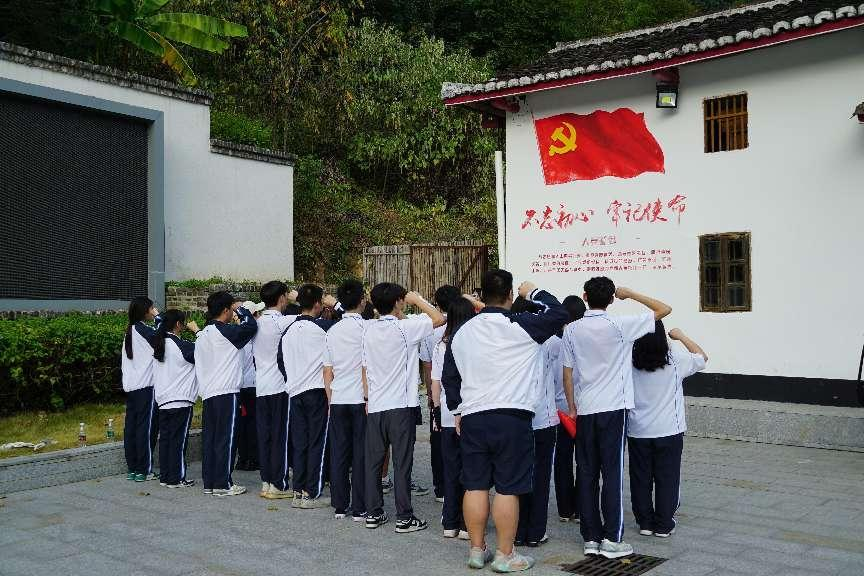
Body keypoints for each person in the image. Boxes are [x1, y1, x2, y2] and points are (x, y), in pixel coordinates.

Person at [442, 270, 569, 572]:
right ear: (510, 294)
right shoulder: (523, 324)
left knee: (475, 485)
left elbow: (450, 377)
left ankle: (476, 550)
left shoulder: (462, 332)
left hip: (473, 417)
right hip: (512, 417)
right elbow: (560, 313)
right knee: (507, 488)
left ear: (482, 296)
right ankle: (505, 554)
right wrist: (533, 292)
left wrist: (457, 410)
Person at [561, 278, 671, 559]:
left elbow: (568, 373)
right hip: (614, 409)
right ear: (611, 299)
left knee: (586, 472)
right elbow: (664, 309)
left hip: (585, 408)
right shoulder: (621, 325)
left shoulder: (571, 330)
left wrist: (572, 407)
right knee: (612, 473)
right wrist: (630, 293)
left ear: (584, 296)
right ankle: (612, 537)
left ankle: (590, 537)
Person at [362, 284, 444, 533]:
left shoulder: (368, 329)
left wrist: (366, 399)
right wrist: (417, 299)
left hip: (376, 405)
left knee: (374, 463)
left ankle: (373, 512)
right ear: (399, 301)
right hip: (400, 406)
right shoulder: (405, 328)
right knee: (402, 463)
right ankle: (404, 517)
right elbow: (439, 318)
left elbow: (364, 368)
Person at [629, 323, 707, 538]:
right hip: (669, 430)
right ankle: (664, 524)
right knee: (668, 477)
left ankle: (645, 522)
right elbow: (702, 357)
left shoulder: (630, 361)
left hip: (638, 430)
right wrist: (680, 336)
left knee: (640, 478)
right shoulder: (675, 360)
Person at [279, 284, 337, 508]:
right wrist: (336, 305)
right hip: (316, 390)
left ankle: (298, 491)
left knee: (300, 443)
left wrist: (292, 378)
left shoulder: (288, 330)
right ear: (317, 304)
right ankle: (311, 492)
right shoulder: (322, 327)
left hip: (295, 391)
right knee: (317, 442)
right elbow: (350, 321)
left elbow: (280, 360)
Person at [195, 291, 258, 497]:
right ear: (225, 310)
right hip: (226, 392)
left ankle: (211, 481)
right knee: (226, 438)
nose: (233, 313)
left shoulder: (204, 333)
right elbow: (251, 327)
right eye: (231, 309)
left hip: (209, 392)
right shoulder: (225, 331)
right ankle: (223, 483)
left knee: (211, 439)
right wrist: (242, 309)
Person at [511, 296, 558, 549]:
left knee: (517, 476)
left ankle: (517, 531)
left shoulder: (508, 340)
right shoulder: (551, 342)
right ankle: (536, 531)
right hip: (544, 419)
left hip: (516, 418)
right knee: (540, 478)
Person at [430, 296, 477, 540]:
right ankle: (468, 525)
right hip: (470, 413)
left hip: (448, 414)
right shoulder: (474, 343)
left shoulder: (441, 345)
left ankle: (449, 522)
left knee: (450, 470)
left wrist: (436, 411)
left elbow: (435, 383)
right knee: (471, 471)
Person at [324, 279, 369, 521]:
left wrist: (330, 400)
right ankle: (360, 507)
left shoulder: (332, 331)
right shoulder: (367, 329)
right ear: (362, 301)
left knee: (339, 453)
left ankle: (340, 505)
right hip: (361, 398)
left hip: (338, 397)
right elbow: (366, 367)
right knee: (361, 453)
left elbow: (327, 371)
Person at [253, 282, 298, 499]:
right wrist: (298, 298)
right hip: (279, 386)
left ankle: (266, 482)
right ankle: (279, 484)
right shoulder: (282, 321)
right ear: (281, 298)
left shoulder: (257, 323)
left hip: (261, 386)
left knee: (265, 436)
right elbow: (309, 315)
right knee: (280, 436)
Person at [420, 284, 462, 503]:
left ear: (437, 304)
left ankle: (441, 487)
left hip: (439, 394)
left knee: (438, 441)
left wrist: (430, 394)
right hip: (462, 397)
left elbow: (428, 366)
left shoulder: (430, 328)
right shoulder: (465, 327)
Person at [152, 309, 200, 488]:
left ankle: (166, 477)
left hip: (163, 399)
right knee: (178, 441)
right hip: (180, 399)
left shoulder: (159, 343)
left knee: (166, 440)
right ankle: (177, 478)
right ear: (178, 325)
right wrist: (197, 331)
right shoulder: (181, 345)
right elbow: (204, 351)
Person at [553, 296, 586, 523]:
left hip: (560, 411)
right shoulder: (586, 342)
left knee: (562, 459)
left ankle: (565, 509)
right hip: (583, 409)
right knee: (585, 459)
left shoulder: (553, 342)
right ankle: (582, 506)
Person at [121, 296, 161, 483]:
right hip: (146, 387)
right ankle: (144, 470)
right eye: (152, 308)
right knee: (146, 429)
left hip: (132, 386)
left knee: (132, 427)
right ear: (145, 311)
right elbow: (161, 338)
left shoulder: (131, 330)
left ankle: (133, 468)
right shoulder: (143, 329)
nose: (154, 310)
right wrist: (158, 317)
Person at [236, 301, 265, 472]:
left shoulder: (236, 335)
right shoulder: (254, 337)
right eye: (258, 313)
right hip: (253, 385)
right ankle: (253, 458)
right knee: (253, 423)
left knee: (242, 423)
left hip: (240, 386)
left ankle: (243, 458)